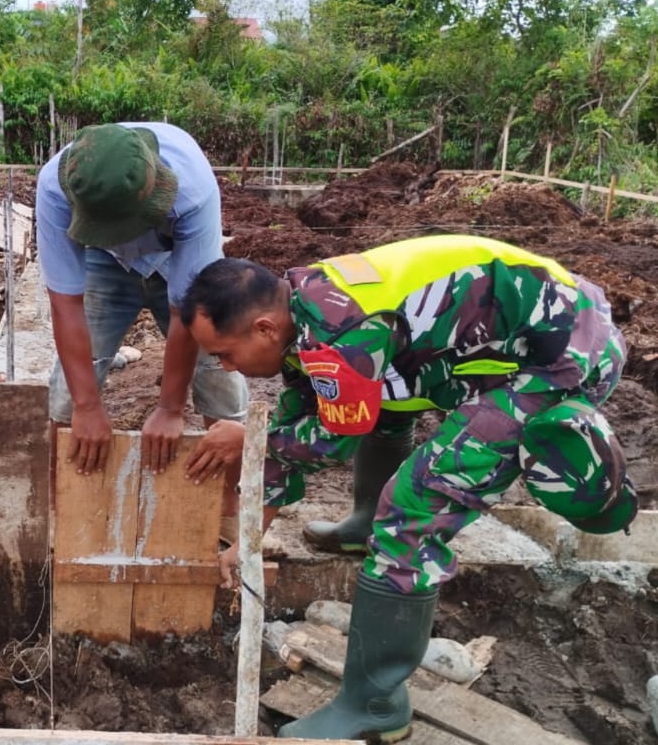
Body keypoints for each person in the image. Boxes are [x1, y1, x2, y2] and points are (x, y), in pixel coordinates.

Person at [180, 235, 638, 742]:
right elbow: (305, 420)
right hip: (506, 342)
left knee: (414, 506)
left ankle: (375, 703)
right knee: (381, 403)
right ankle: (362, 525)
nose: (224, 366)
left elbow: (335, 438)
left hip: (561, 359)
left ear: (264, 328)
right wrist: (248, 542)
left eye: (224, 353)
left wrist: (249, 438)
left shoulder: (343, 330)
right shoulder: (302, 313)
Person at [37, 122, 248, 539]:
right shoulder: (57, 188)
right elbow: (66, 306)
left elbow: (188, 316)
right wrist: (87, 406)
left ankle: (227, 503)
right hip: (103, 263)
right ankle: (60, 503)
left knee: (217, 367)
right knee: (68, 388)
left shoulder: (191, 192)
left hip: (177, 254)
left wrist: (170, 409)